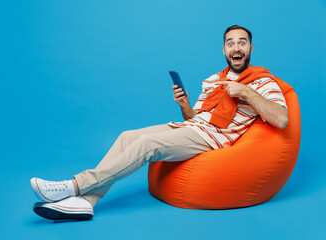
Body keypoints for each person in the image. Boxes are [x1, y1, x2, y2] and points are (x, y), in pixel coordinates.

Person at [30, 25, 288, 220]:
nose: (236, 48)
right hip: (193, 128)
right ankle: (87, 201)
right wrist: (184, 104)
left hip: (213, 139)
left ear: (251, 48)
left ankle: (73, 185)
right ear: (223, 50)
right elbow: (195, 119)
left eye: (242, 43)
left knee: (146, 144)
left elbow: (282, 118)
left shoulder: (263, 82)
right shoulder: (213, 81)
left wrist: (246, 93)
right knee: (127, 136)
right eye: (230, 43)